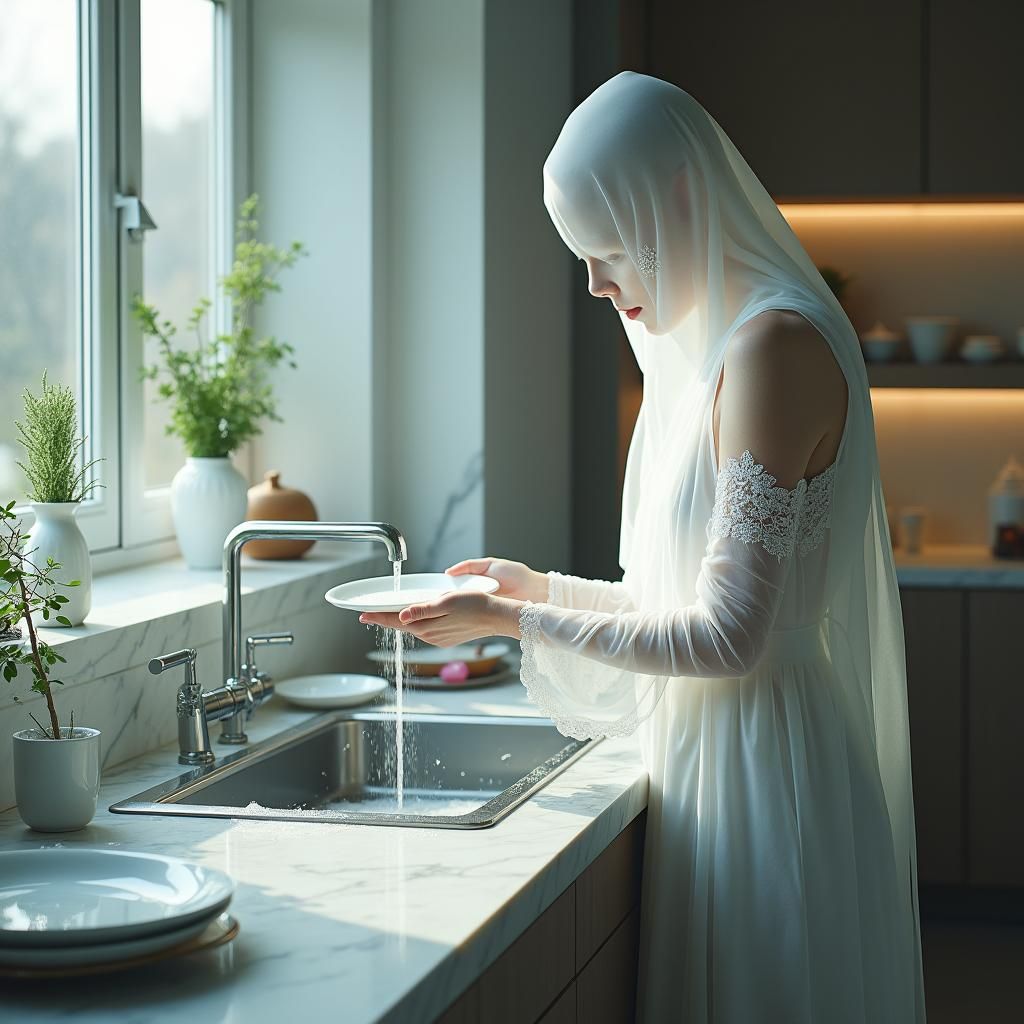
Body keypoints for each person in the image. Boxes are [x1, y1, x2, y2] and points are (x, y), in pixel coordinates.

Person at [359, 71, 926, 1023]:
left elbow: (731, 639)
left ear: (679, 205)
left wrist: (509, 616)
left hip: (769, 774)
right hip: (726, 757)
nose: (595, 282)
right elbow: (689, 607)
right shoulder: (722, 351)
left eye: (610, 250)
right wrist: (536, 586)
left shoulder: (771, 351)